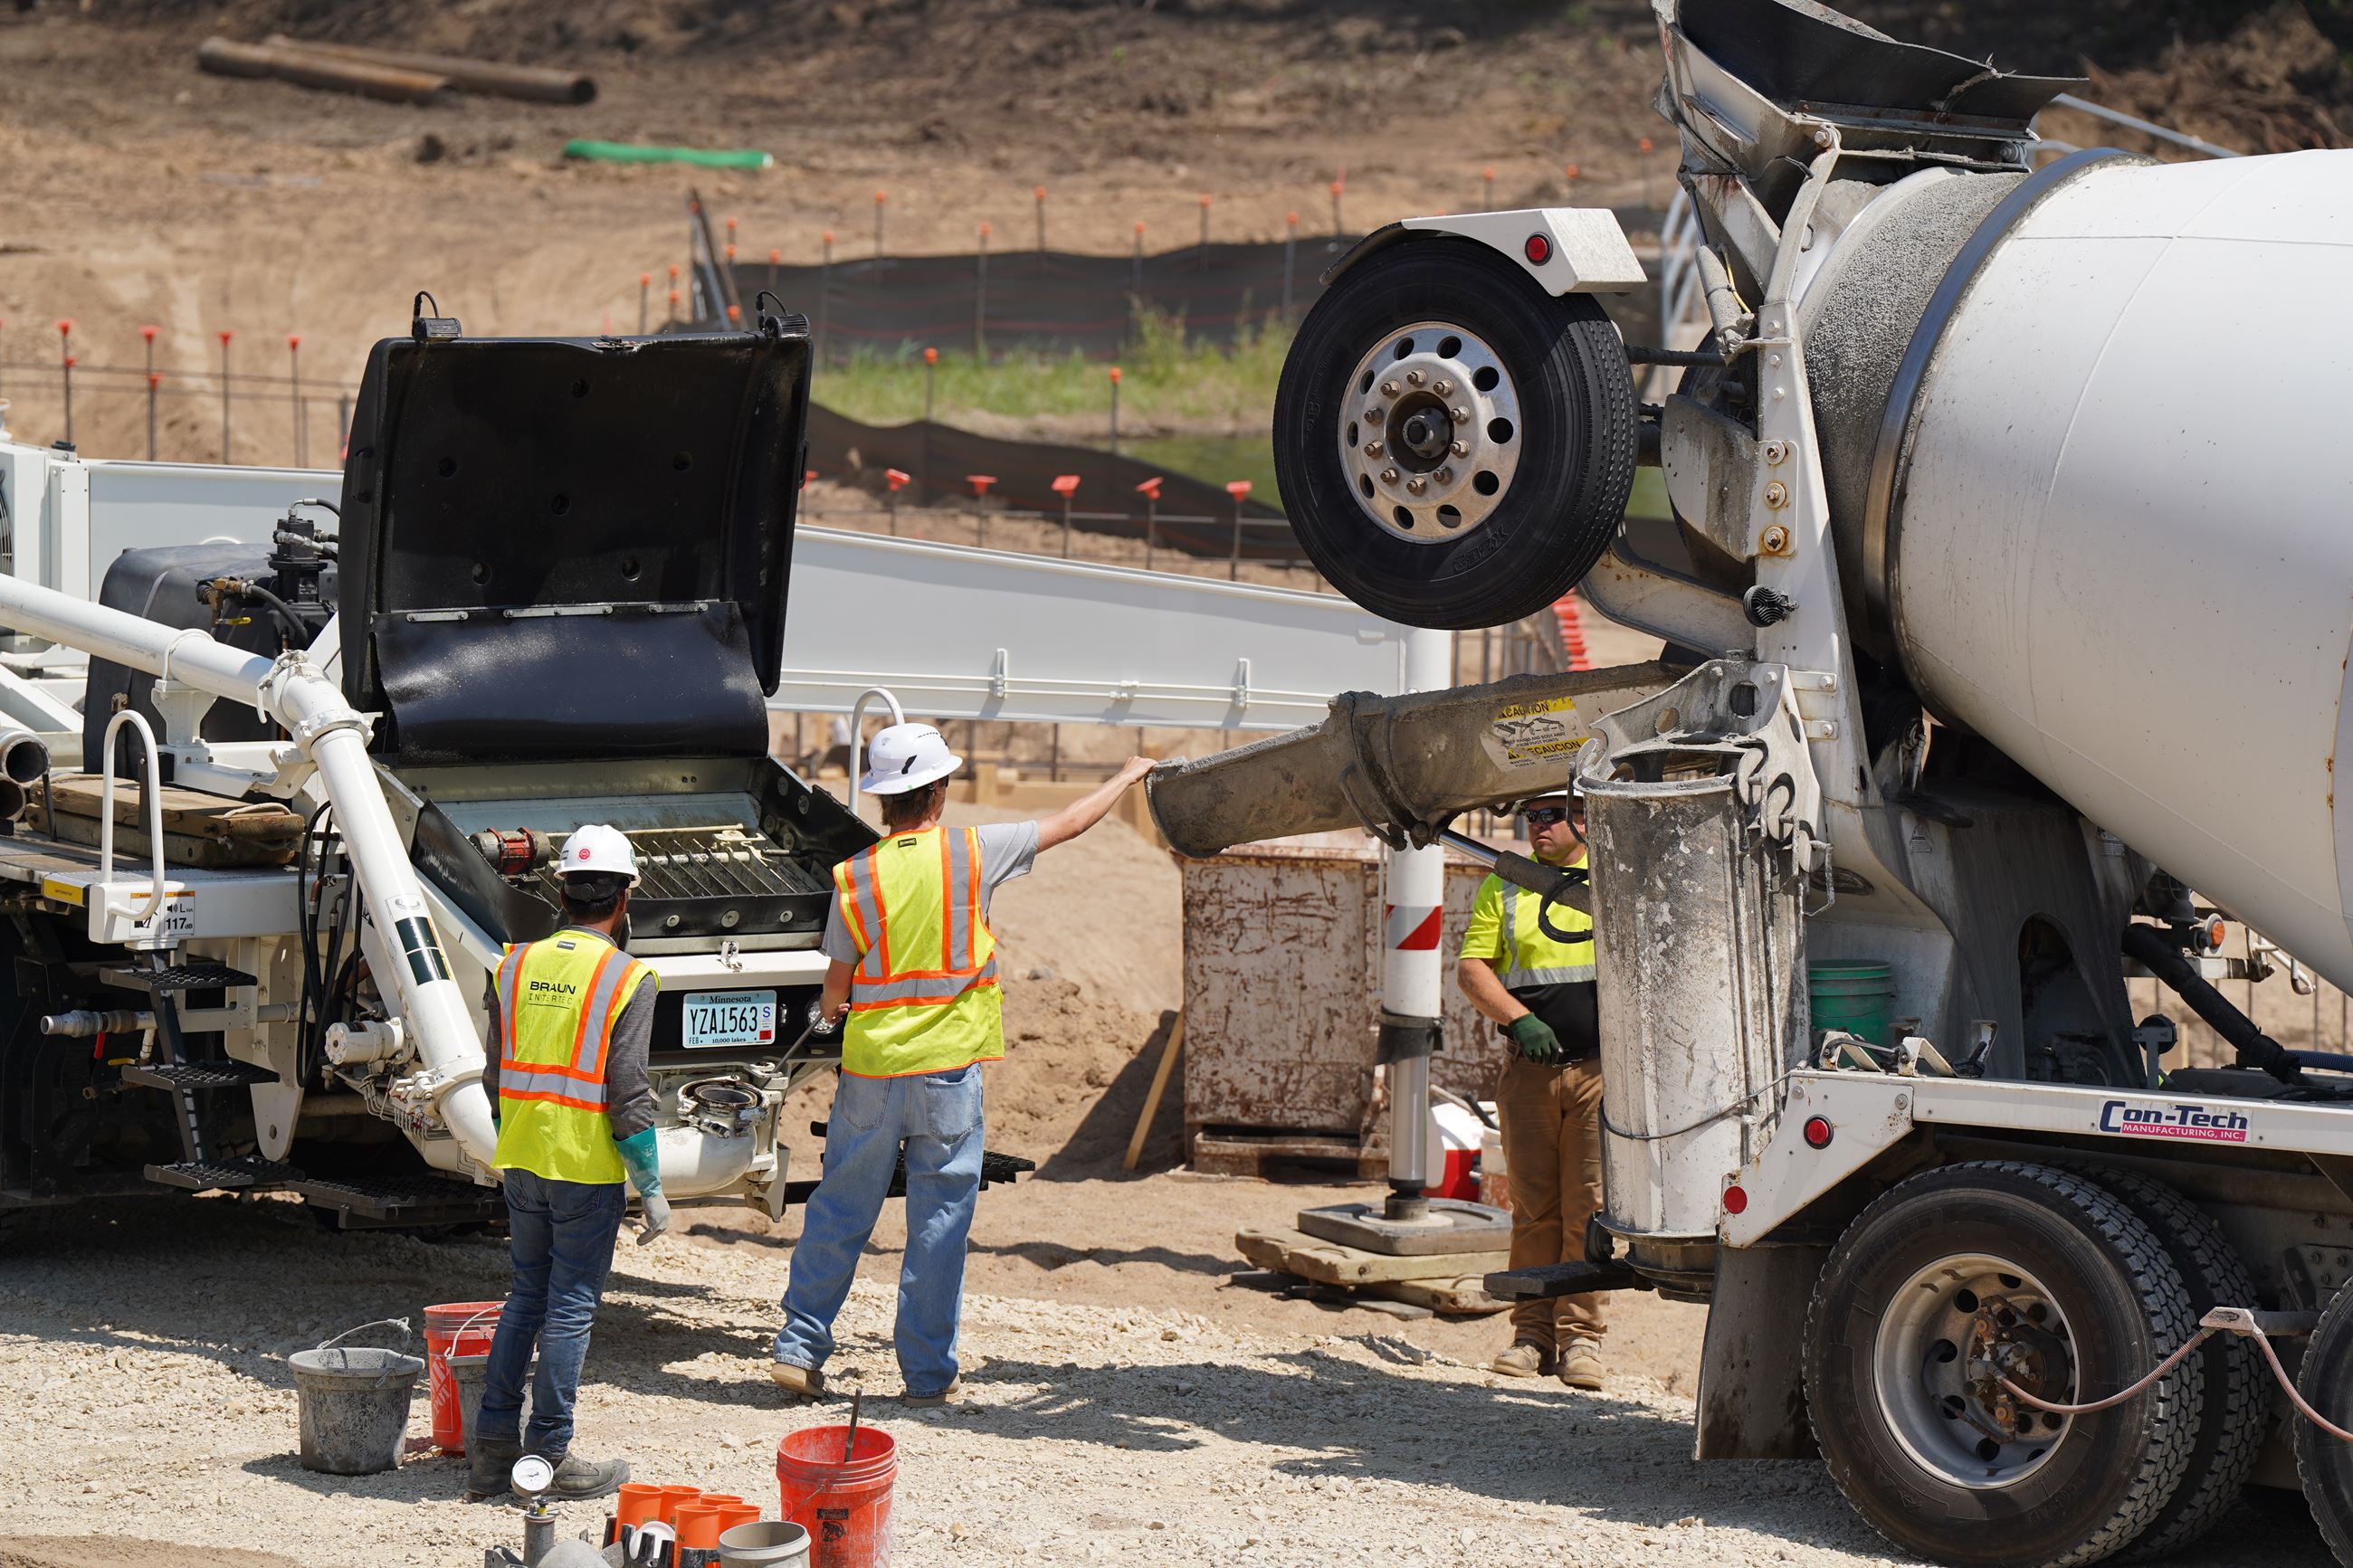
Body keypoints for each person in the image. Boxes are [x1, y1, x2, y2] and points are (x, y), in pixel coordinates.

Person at [769, 722, 1153, 1404]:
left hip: (873, 1074)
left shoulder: (856, 875)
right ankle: (925, 1375)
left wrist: (831, 1016)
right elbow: (1066, 824)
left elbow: (835, 991)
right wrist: (1125, 777)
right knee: (939, 1223)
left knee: (839, 1208)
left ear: (886, 798)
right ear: (939, 789)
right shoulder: (971, 853)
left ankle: (799, 1348)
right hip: (948, 1074)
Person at [469, 823, 668, 1503]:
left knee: (526, 1293)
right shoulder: (628, 977)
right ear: (625, 898)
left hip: (521, 1158)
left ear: (561, 892)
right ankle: (549, 1453)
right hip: (584, 1168)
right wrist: (652, 1184)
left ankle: (493, 1448)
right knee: (571, 1305)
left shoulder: (513, 964)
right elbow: (629, 1093)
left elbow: (496, 1073)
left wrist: (512, 1134)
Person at [1456, 790, 1608, 1392]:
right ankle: (1531, 1337)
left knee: (1588, 1213)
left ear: (1583, 818)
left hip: (1599, 1073)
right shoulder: (1508, 885)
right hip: (1529, 1072)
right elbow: (1473, 969)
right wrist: (1520, 1017)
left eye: (1551, 814)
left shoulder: (1612, 881)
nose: (1537, 826)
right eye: (1531, 816)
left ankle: (1582, 1343)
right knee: (1534, 1210)